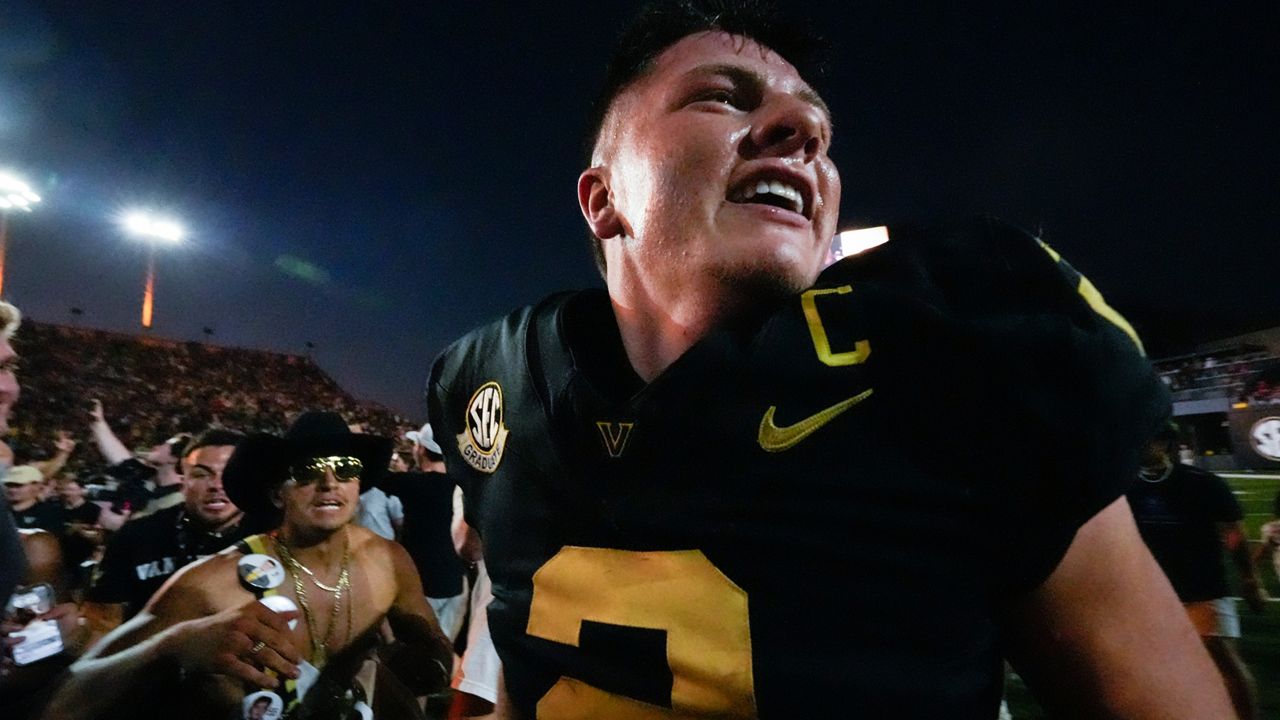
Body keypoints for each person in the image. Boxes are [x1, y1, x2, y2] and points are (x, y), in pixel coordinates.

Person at [426, 1, 1232, 716]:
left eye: (818, 124)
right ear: (604, 199)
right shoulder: (492, 384)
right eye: (721, 96)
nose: (803, 132)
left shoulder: (955, 349)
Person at [48, 411, 454, 719]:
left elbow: (432, 653)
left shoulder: (389, 561)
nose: (329, 482)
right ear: (278, 493)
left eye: (344, 468)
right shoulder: (212, 584)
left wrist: (426, 662)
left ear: (357, 484)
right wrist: (173, 646)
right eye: (309, 470)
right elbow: (72, 693)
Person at [1129, 423, 1266, 719]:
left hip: (1205, 588)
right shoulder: (1129, 488)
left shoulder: (1201, 482)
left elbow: (1233, 533)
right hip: (1155, 594)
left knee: (1222, 660)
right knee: (1166, 666)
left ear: (1164, 444)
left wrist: (1249, 578)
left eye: (1143, 439)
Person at [80, 428, 257, 637]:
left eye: (230, 473)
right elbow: (100, 623)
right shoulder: (137, 535)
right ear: (182, 481)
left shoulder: (277, 534)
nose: (217, 485)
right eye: (201, 474)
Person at [5, 466, 64, 532]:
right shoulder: (2, 511)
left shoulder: (50, 514)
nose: (12, 490)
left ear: (36, 486)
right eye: (9, 485)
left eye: (18, 485)